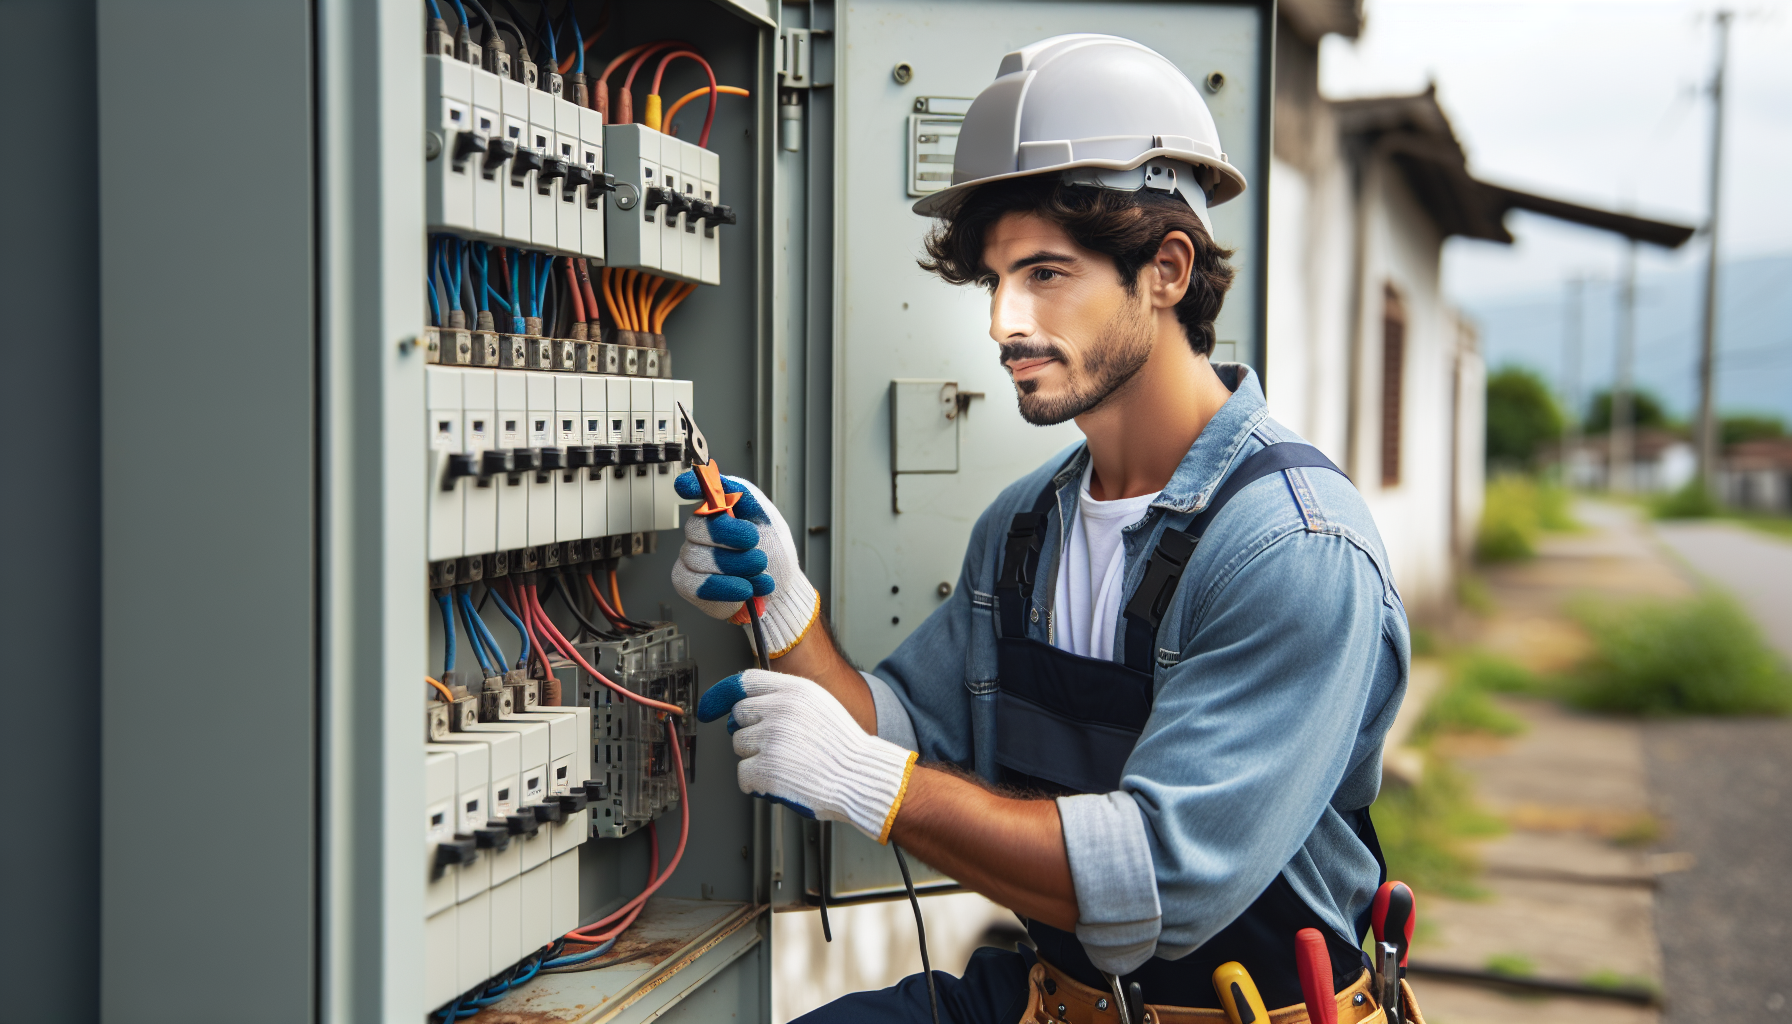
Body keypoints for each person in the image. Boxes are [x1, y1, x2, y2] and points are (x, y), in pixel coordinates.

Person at [672, 34, 1411, 1024]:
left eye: (1045, 274)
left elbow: (1159, 882)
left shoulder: (1294, 549)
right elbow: (897, 733)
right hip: (1053, 1000)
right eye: (995, 281)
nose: (1003, 323)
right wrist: (784, 607)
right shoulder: (1025, 528)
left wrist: (872, 784)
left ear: (1167, 269)